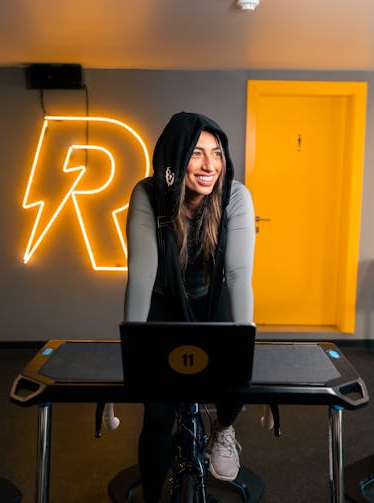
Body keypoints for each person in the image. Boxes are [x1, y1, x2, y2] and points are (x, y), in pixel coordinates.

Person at [124, 111, 256, 502]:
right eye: (197, 154)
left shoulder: (235, 196)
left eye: (216, 154)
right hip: (165, 301)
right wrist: (135, 356)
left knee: (236, 375)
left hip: (211, 299)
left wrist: (243, 346)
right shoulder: (147, 194)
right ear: (175, 157)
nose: (209, 165)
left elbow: (238, 277)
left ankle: (224, 429)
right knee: (157, 416)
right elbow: (142, 277)